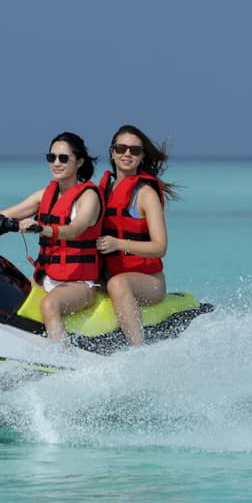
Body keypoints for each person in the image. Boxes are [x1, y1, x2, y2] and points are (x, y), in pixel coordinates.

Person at [0, 132, 102, 342]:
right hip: (46, 278)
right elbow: (3, 215)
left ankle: (61, 361)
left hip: (81, 284)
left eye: (63, 158)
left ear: (79, 161)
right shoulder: (45, 195)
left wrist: (43, 229)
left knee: (49, 305)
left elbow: (75, 229)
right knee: (1, 292)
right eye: (51, 157)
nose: (56, 163)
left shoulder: (88, 197)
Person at [95, 125, 179, 346]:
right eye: (121, 148)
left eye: (134, 150)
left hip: (149, 282)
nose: (127, 154)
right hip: (108, 273)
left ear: (142, 157)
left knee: (118, 284)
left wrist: (118, 243)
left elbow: (160, 247)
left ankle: (138, 351)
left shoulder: (145, 194)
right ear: (112, 152)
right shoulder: (102, 191)